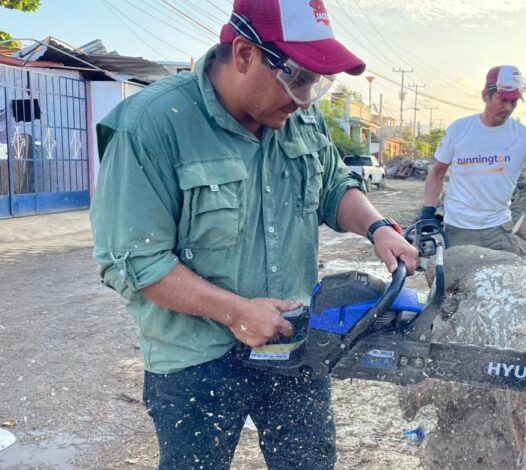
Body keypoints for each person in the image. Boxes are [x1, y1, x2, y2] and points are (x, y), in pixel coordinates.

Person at [89, 1, 419, 468]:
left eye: (315, 83)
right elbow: (132, 260)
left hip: (295, 341)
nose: (306, 98)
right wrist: (237, 312)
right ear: (245, 53)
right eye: (298, 78)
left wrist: (378, 227)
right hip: (195, 361)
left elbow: (333, 185)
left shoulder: (300, 117)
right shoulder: (152, 124)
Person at [416, 65, 526, 251]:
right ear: (485, 96)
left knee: (513, 269)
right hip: (458, 230)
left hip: (499, 230)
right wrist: (428, 209)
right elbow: (437, 172)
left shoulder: (524, 136)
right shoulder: (459, 130)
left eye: (514, 102)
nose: (508, 108)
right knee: (455, 270)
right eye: (503, 100)